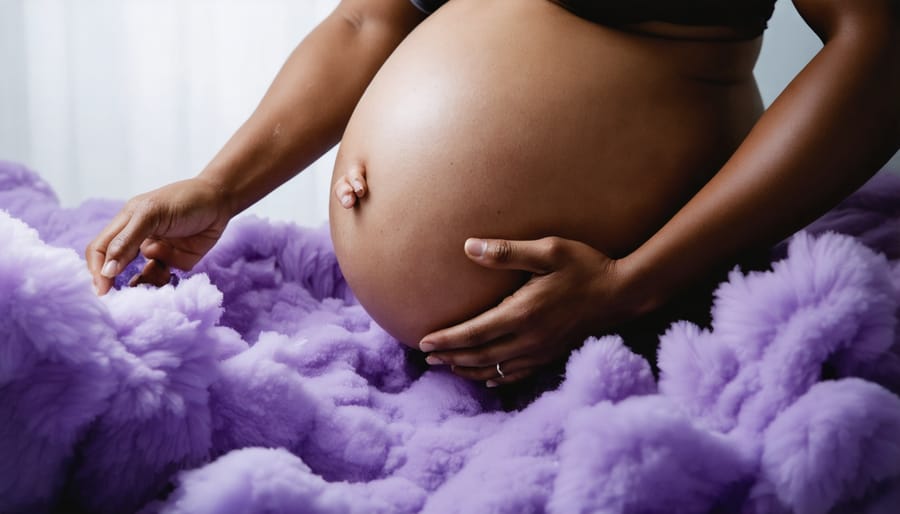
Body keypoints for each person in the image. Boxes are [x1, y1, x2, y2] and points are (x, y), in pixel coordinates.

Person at [87, 0, 900, 388]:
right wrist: (219, 185)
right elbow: (368, 21)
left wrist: (635, 281)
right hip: (436, 366)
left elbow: (879, 45)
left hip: (630, 317)